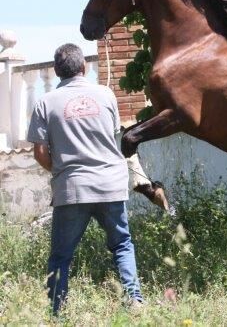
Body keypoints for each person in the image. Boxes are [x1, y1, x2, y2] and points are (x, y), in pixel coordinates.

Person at [27, 43, 145, 314]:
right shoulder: (106, 95)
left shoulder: (45, 102)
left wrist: (62, 171)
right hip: (110, 185)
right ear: (84, 67)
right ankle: (134, 299)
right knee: (122, 245)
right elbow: (113, 132)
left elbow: (40, 152)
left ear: (57, 72)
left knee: (61, 256)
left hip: (72, 189)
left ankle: (57, 312)